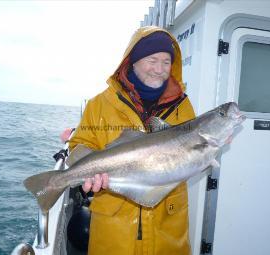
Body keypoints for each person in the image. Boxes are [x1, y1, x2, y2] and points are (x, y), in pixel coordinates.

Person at [65, 26, 196, 255]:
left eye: (166, 62)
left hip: (167, 226)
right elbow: (78, 146)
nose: (160, 69)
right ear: (133, 60)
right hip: (114, 229)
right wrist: (88, 173)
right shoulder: (99, 104)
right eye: (152, 60)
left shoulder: (182, 106)